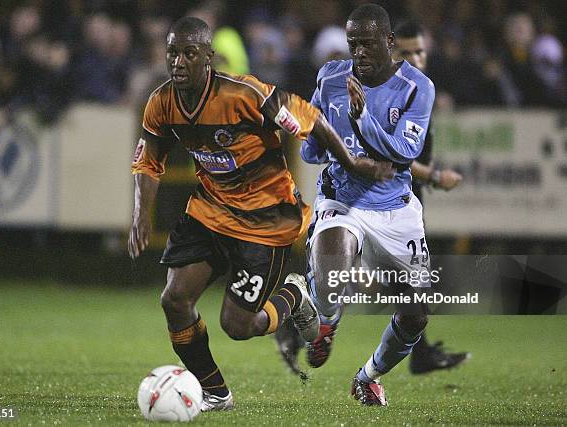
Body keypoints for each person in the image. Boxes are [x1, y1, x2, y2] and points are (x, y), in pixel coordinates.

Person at [128, 16, 393, 412]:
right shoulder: (161, 103)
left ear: (208, 58)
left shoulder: (244, 94)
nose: (178, 62)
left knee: (237, 326)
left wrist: (352, 162)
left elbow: (311, 119)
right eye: (172, 52)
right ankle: (215, 392)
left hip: (264, 220)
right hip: (211, 211)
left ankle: (295, 294)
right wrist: (141, 214)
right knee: (174, 299)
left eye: (189, 53)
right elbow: (149, 161)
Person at [275, 4, 437, 406]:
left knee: (416, 312)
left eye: (368, 43)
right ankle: (325, 321)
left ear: (389, 42)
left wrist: (362, 121)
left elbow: (404, 151)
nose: (359, 52)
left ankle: (368, 377)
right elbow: (313, 148)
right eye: (353, 44)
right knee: (333, 267)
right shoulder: (330, 77)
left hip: (396, 207)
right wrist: (307, 134)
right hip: (341, 198)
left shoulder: (417, 86)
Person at [391, 21, 470, 375]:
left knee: (411, 282)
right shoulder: (393, 91)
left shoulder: (421, 89)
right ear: (392, 52)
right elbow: (395, 156)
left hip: (408, 195)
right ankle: (292, 325)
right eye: (406, 52)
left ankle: (419, 352)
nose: (415, 58)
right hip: (388, 198)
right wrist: (436, 176)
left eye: (419, 51)